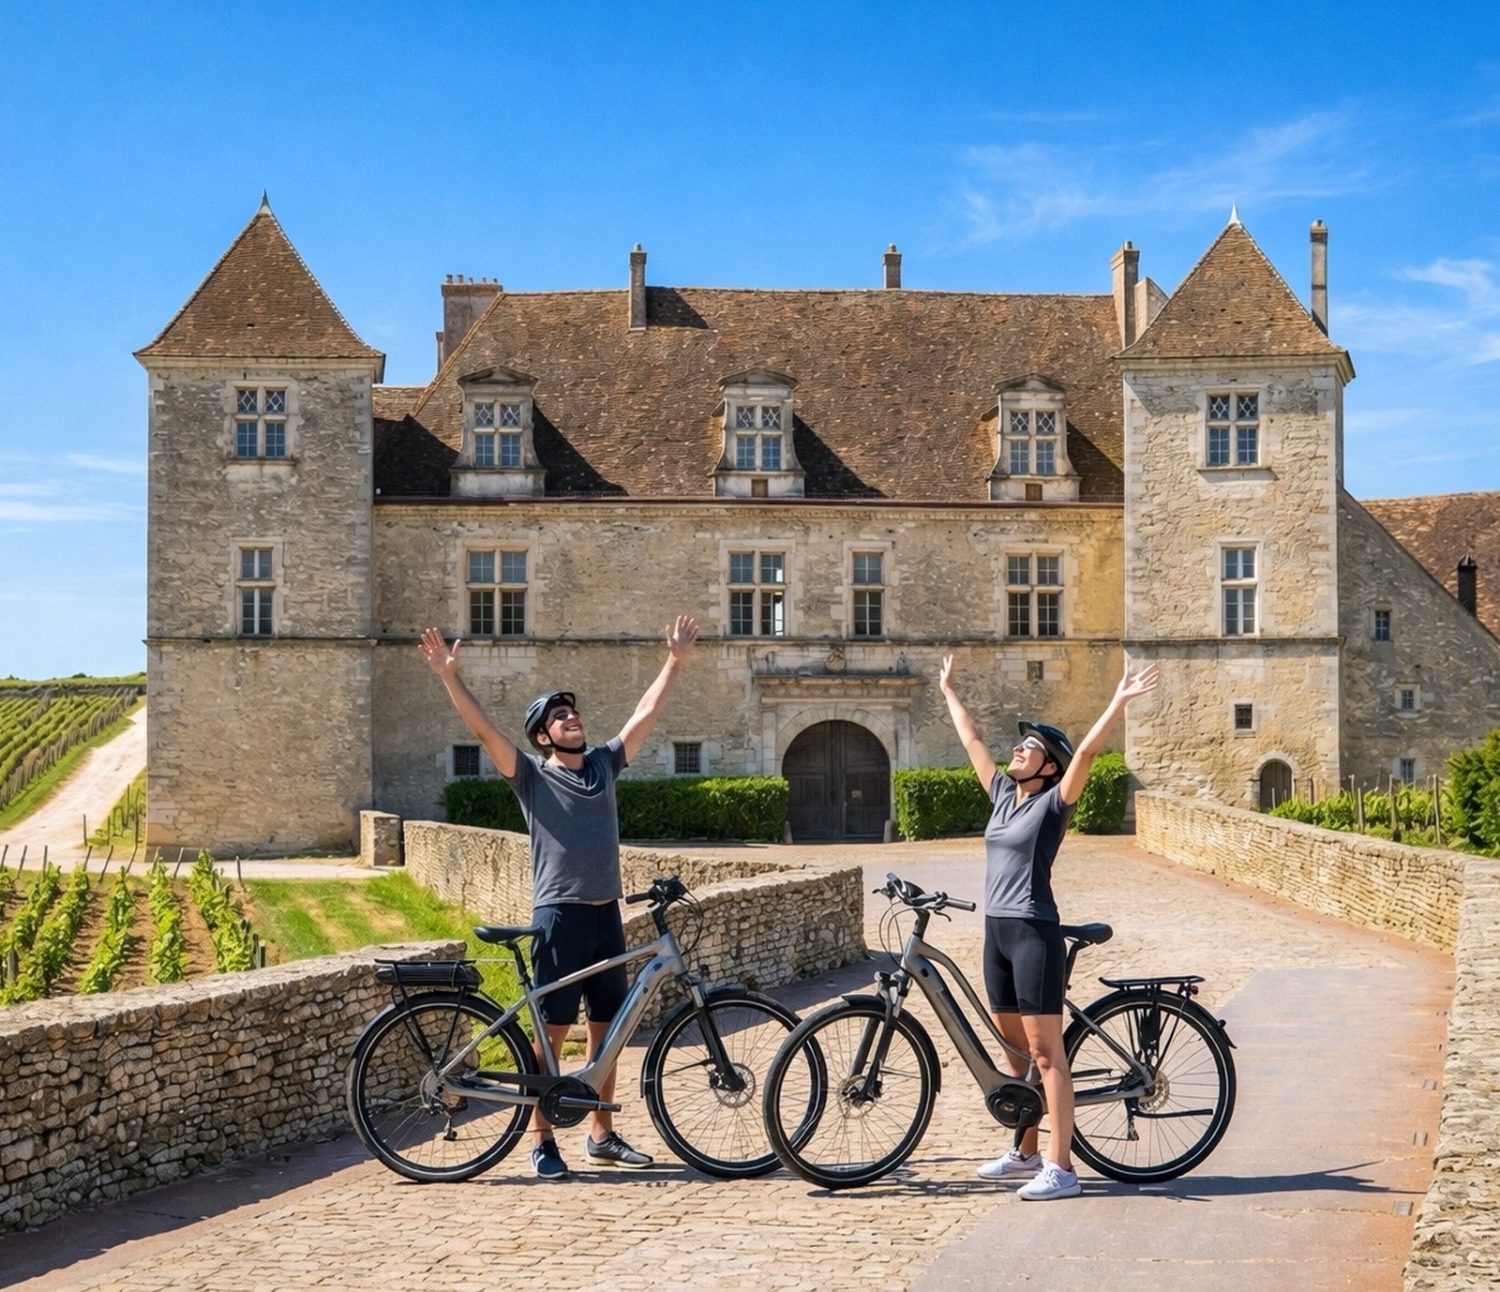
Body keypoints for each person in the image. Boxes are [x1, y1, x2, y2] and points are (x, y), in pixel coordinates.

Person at [417, 615, 700, 1180]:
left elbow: (644, 714)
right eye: (559, 717)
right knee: (552, 1032)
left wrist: (674, 661)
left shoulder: (602, 765)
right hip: (559, 916)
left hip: (607, 916)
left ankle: (601, 1134)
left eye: (572, 713)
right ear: (543, 735)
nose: (572, 719)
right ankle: (542, 1140)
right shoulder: (530, 775)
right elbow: (483, 732)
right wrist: (450, 677)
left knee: (608, 1031)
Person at [937, 654, 1159, 1201]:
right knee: (1015, 1054)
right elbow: (972, 743)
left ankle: (1062, 1170)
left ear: (1049, 766)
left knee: (1046, 1054)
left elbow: (1085, 752)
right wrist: (948, 690)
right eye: (1020, 744)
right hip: (996, 934)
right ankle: (1027, 1149)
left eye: (1029, 746)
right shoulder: (1000, 798)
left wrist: (1119, 700)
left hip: (1035, 932)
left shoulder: (1054, 804)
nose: (1018, 748)